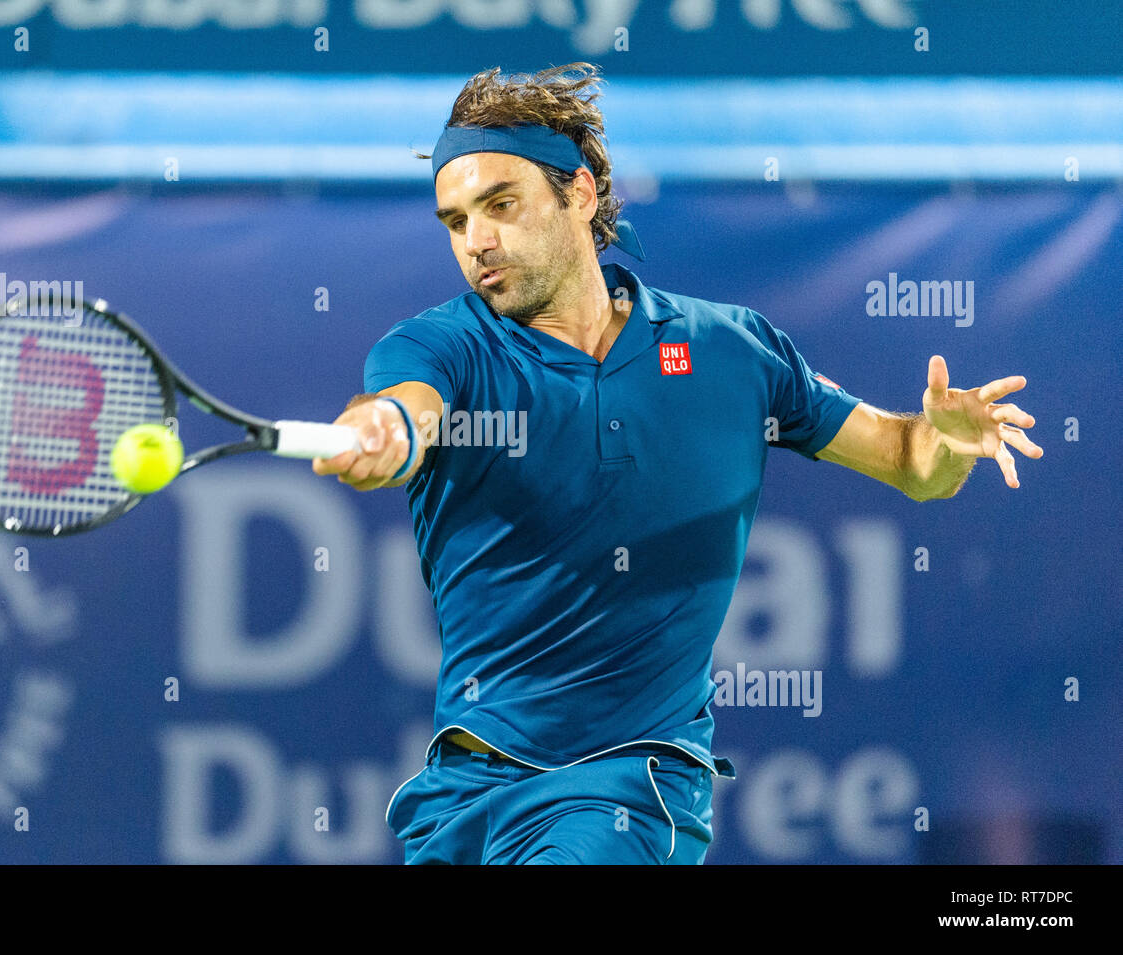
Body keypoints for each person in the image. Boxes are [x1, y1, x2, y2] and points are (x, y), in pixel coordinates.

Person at [312, 63, 1042, 864]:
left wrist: (941, 438)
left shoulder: (732, 350)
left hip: (625, 787)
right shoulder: (440, 345)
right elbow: (403, 409)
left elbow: (908, 461)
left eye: (501, 205)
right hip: (461, 794)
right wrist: (382, 429)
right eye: (454, 221)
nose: (476, 240)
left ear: (580, 195)